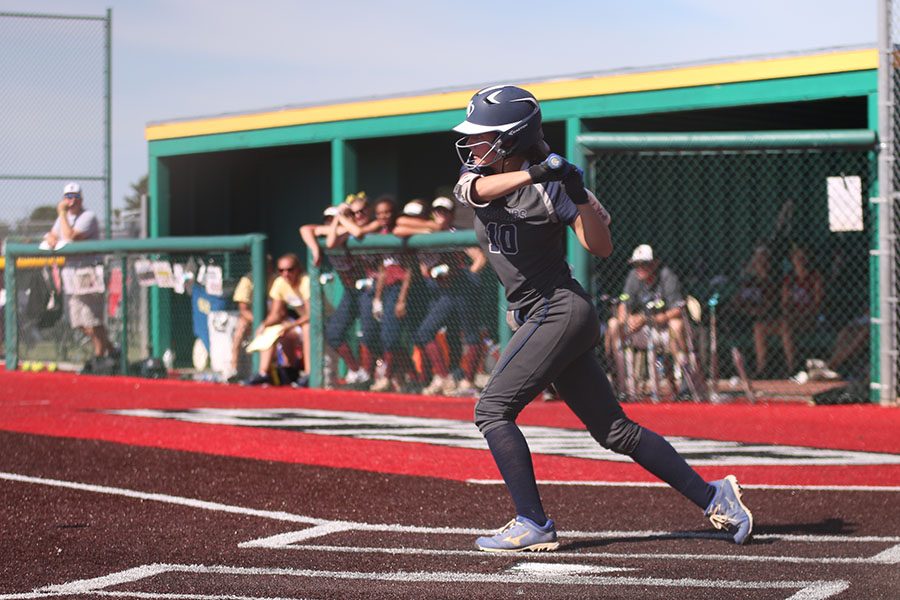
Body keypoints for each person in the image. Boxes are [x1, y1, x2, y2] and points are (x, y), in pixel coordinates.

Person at [451, 85, 752, 552]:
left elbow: (600, 246)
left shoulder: (556, 188)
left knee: (492, 410)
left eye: (483, 136)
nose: (472, 145)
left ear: (512, 138)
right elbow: (477, 190)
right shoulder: (480, 176)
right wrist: (534, 172)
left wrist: (578, 195)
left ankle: (533, 521)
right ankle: (716, 495)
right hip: (542, 314)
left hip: (560, 309)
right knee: (615, 431)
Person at [413, 196, 487, 395]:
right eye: (437, 211)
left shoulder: (456, 233)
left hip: (462, 289)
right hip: (442, 292)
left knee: (470, 333)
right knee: (427, 332)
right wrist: (436, 273)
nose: (441, 215)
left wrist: (464, 276)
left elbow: (479, 258)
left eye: (445, 211)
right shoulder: (426, 234)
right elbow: (423, 269)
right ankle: (444, 378)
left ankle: (467, 381)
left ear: (452, 215)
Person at [43, 182, 114, 361]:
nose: (71, 200)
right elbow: (52, 234)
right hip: (70, 275)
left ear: (81, 199)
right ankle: (112, 349)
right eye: (68, 197)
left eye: (74, 197)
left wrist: (61, 213)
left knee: (92, 319)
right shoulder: (63, 218)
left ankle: (100, 358)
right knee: (77, 321)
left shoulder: (88, 216)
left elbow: (69, 237)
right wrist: (51, 237)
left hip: (88, 272)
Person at [605, 244, 689, 386]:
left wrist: (649, 319)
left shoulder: (667, 276)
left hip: (663, 330)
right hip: (642, 331)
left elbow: (678, 310)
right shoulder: (633, 276)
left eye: (644, 264)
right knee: (613, 324)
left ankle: (685, 381)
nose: (640, 268)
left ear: (655, 263)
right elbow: (624, 305)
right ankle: (619, 384)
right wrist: (627, 320)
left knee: (677, 324)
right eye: (636, 264)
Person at [757, 244, 824, 377]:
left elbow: (817, 304)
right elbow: (784, 303)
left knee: (786, 326)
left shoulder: (815, 277)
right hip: (790, 319)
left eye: (802, 257)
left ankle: (791, 368)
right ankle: (762, 369)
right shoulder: (790, 279)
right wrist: (789, 313)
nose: (800, 260)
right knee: (759, 327)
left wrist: (801, 314)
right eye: (797, 257)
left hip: (809, 319)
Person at [244, 253, 309, 386]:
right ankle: (264, 373)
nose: (285, 274)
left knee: (307, 328)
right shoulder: (280, 283)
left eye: (290, 270)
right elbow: (276, 314)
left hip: (318, 324)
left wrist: (290, 326)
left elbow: (312, 315)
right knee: (273, 330)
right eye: (281, 270)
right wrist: (264, 324)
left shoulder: (306, 282)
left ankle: (308, 374)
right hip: (298, 325)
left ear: (298, 269)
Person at [727, 244, 779, 378]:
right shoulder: (746, 280)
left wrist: (763, 277)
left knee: (758, 326)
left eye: (764, 260)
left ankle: (761, 370)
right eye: (758, 260)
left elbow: (768, 306)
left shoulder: (770, 281)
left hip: (763, 318)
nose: (760, 263)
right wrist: (747, 309)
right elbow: (735, 303)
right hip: (742, 317)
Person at [229, 255, 274, 382]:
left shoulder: (276, 279)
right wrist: (258, 322)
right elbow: (243, 310)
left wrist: (266, 323)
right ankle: (233, 369)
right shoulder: (247, 280)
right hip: (251, 318)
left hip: (273, 318)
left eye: (268, 265)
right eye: (263, 265)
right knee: (239, 331)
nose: (267, 268)